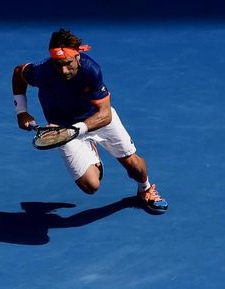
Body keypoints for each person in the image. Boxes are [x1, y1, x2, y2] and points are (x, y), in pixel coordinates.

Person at [11, 28, 168, 214]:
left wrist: (76, 130)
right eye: (57, 64)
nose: (63, 70)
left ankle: (145, 189)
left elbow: (106, 114)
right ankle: (92, 151)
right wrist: (21, 111)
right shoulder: (41, 71)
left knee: (134, 167)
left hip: (98, 120)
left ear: (77, 56)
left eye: (68, 63)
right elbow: (18, 72)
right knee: (90, 186)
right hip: (63, 129)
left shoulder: (91, 70)